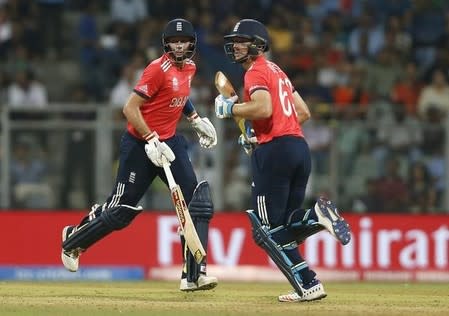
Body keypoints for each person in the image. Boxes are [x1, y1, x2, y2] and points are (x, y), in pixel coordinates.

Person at [61, 18, 218, 292]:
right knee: (120, 210)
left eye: (184, 41)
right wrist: (150, 138)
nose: (179, 46)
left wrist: (194, 117)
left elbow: (178, 95)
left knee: (197, 204)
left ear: (192, 43)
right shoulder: (157, 69)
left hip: (170, 142)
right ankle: (73, 241)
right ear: (166, 43)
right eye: (174, 41)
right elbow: (130, 108)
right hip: (139, 145)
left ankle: (192, 275)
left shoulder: (190, 67)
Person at [214, 19, 351, 302]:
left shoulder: (255, 72)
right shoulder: (279, 72)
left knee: (265, 231)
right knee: (285, 227)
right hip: (298, 148)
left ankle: (316, 217)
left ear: (258, 44)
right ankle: (309, 282)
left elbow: (263, 108)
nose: (236, 45)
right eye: (234, 41)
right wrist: (256, 133)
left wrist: (231, 108)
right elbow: (302, 112)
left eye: (242, 40)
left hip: (275, 153)